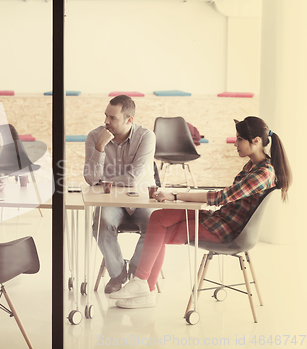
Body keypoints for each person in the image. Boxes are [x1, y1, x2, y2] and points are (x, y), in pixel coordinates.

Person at [109, 116, 292, 309]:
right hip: (219, 219)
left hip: (227, 230)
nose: (235, 143)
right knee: (158, 218)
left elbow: (222, 197)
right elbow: (224, 199)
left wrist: (174, 195)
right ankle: (144, 287)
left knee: (158, 229)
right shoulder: (252, 166)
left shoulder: (264, 173)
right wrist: (175, 197)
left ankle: (143, 286)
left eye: (239, 139)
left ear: (255, 141)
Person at [83, 95, 157, 293]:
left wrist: (105, 182)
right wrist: (99, 148)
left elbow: (134, 179)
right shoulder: (95, 137)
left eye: (112, 118)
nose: (106, 121)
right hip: (112, 201)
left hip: (140, 198)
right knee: (101, 223)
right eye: (106, 116)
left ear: (129, 120)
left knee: (155, 226)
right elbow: (91, 179)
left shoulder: (146, 136)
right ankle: (117, 274)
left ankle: (135, 272)